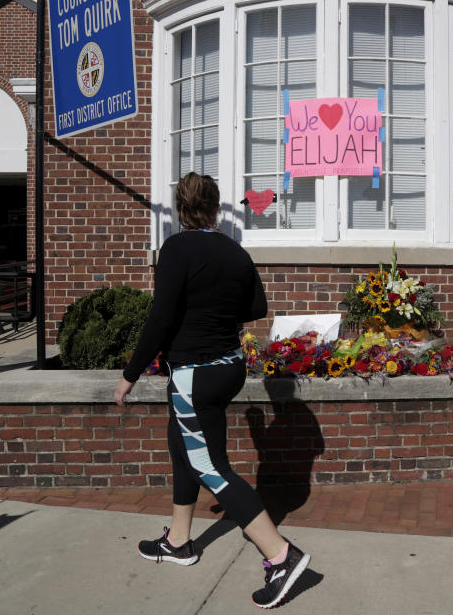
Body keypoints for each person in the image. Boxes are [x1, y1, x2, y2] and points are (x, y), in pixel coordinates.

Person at [113, 173, 309, 609]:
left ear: (181, 208)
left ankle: (280, 555)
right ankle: (179, 541)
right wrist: (218, 310)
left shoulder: (177, 249)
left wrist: (130, 373)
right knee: (181, 445)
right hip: (228, 367)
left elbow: (160, 319)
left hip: (195, 374)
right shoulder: (235, 252)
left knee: (209, 465)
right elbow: (255, 307)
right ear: (216, 206)